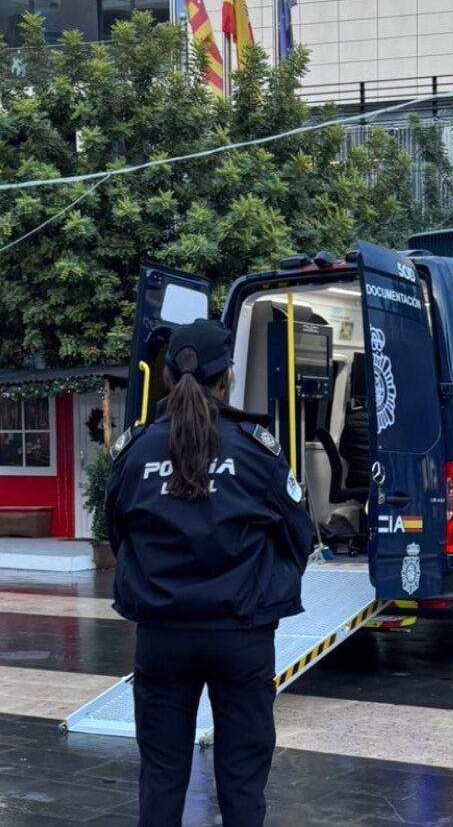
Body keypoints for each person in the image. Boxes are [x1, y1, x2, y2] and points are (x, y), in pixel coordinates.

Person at [105, 318, 316, 827]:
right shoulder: (256, 449)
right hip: (240, 634)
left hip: (161, 636)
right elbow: (298, 536)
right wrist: (261, 586)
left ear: (167, 379)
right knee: (242, 783)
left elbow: (117, 533)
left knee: (161, 779)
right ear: (228, 378)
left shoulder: (136, 451)